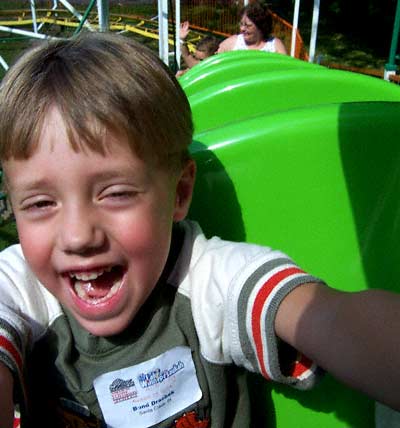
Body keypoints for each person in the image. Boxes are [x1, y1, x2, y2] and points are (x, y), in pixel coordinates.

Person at [0, 32, 400, 428]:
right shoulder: (20, 290)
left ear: (179, 192)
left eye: (116, 193)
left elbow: (327, 317)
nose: (77, 236)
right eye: (39, 204)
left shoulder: (210, 282)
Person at [217, 2, 287, 54]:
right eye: (241, 24)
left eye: (248, 25)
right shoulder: (232, 43)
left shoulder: (274, 45)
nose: (242, 29)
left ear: (260, 27)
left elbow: (286, 68)